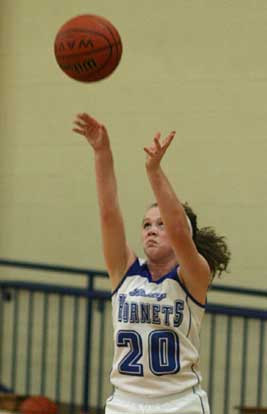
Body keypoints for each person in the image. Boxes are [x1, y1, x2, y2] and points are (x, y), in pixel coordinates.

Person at [73, 113, 231, 414]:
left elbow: (181, 231)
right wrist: (101, 152)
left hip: (180, 404)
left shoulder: (194, 276)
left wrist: (154, 170)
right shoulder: (125, 271)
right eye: (146, 223)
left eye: (161, 224)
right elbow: (108, 212)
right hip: (124, 403)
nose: (151, 229)